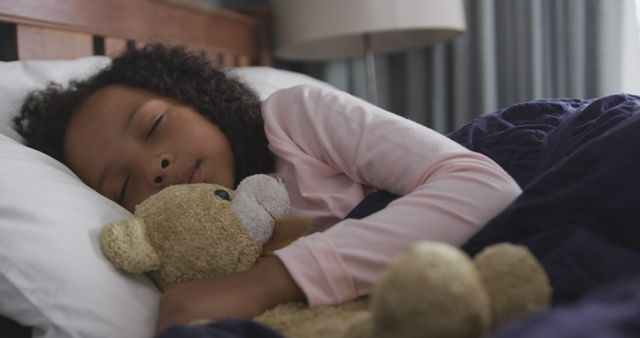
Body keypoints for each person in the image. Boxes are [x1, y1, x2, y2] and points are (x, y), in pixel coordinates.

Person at [13, 44, 521, 333]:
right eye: (123, 184)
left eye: (154, 127)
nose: (156, 166)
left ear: (196, 99)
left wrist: (266, 283)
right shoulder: (184, 254)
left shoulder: (296, 118)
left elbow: (484, 185)